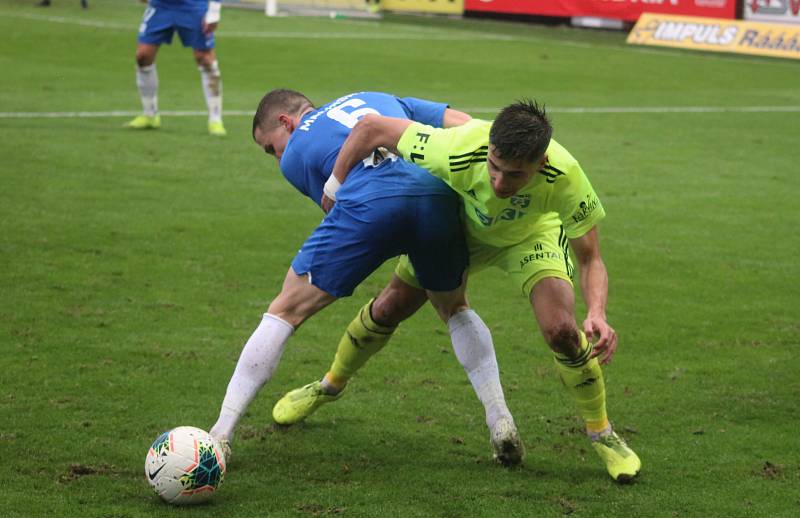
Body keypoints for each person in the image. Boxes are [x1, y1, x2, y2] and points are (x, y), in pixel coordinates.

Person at [275, 99, 642, 483]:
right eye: (495, 168)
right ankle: (328, 386)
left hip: (531, 237)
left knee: (562, 332)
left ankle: (602, 434)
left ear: (541, 164)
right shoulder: (460, 147)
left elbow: (590, 259)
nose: (500, 183)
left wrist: (597, 311)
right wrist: (334, 188)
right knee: (388, 308)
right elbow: (370, 128)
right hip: (461, 233)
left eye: (515, 176)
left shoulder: (566, 176)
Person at [208, 90, 524, 466]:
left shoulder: (295, 154)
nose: (276, 156)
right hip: (436, 196)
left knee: (285, 309)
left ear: (286, 122)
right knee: (454, 307)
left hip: (371, 203)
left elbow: (342, 204)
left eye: (270, 148)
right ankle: (499, 418)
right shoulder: (379, 96)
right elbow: (468, 126)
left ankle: (220, 434)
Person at [125, 0, 226, 136]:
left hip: (193, 5)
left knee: (205, 59)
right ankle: (150, 115)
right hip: (161, 5)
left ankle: (215, 119)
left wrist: (214, 10)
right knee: (143, 56)